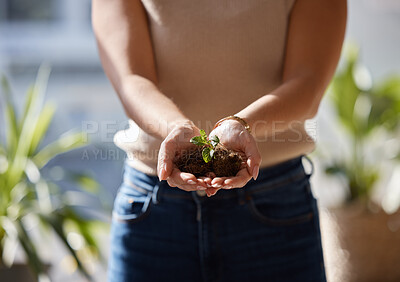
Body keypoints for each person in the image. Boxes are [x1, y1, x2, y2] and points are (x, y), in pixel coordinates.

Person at [92, 0, 346, 281]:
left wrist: (240, 125)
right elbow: (131, 80)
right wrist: (177, 127)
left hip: (274, 206)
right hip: (154, 208)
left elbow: (308, 84)